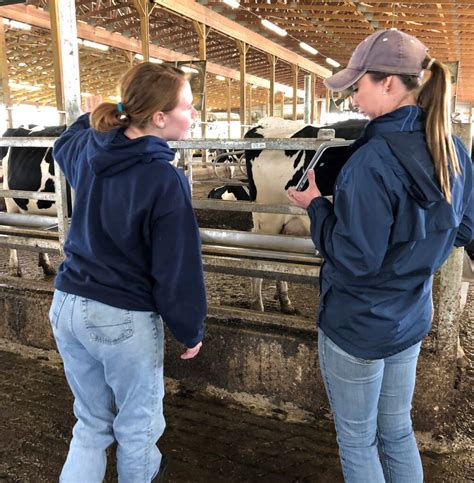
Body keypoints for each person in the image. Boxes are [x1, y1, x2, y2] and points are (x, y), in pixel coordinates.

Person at [287, 29, 473, 482]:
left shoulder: (370, 162)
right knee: (396, 429)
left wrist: (315, 206)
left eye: (358, 84)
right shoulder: (454, 152)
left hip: (358, 326)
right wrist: (415, 251)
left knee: (356, 440)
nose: (353, 96)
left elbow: (356, 260)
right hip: (409, 315)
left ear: (388, 83)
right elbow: (464, 228)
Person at [49, 62, 207, 483]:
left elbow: (65, 139)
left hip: (66, 304)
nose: (194, 115)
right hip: (120, 316)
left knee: (90, 424)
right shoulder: (164, 179)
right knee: (137, 431)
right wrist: (189, 329)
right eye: (188, 107)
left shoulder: (87, 149)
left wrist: (109, 111)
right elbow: (177, 269)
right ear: (159, 117)